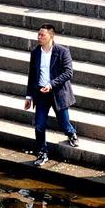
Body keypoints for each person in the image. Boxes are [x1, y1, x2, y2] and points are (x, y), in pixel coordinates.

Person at [23, 24, 79, 166]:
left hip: (58, 92)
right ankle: (42, 152)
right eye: (38, 34)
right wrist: (29, 96)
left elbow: (68, 73)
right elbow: (32, 75)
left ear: (51, 36)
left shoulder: (62, 51)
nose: (39, 37)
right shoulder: (35, 52)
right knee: (39, 125)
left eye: (42, 35)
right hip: (41, 93)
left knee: (64, 122)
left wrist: (52, 84)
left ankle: (71, 133)